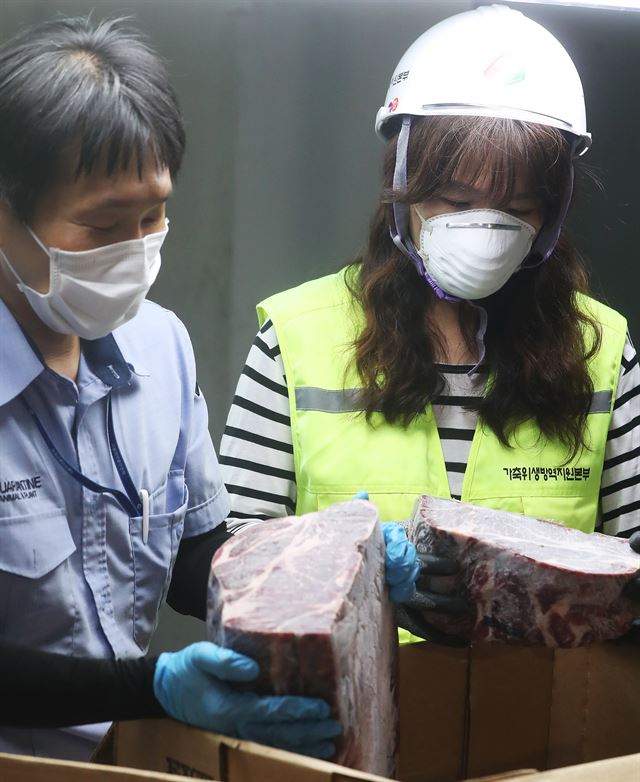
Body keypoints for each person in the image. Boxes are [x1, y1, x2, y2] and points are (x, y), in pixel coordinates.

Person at [0, 16, 361, 760]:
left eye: (153, 214)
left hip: (121, 760)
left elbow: (194, 560)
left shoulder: (158, 345)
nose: (134, 250)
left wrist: (319, 566)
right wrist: (153, 686)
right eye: (103, 225)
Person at [219, 5, 640, 643]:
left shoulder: (601, 350)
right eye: (456, 202)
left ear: (552, 214)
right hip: (343, 716)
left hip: (540, 715)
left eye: (517, 207)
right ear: (401, 185)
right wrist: (338, 565)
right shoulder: (294, 336)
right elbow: (229, 559)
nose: (485, 229)